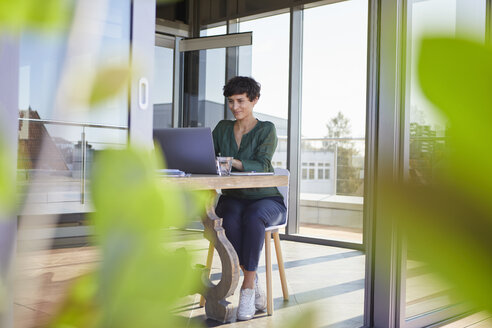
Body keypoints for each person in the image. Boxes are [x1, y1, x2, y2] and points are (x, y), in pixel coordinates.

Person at [212, 76, 287, 321]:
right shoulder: (222, 128)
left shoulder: (266, 129)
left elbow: (263, 164)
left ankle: (247, 287)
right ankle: (252, 280)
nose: (235, 107)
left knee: (253, 217)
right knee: (228, 220)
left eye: (241, 101)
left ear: (254, 100)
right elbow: (208, 158)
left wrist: (230, 161)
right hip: (234, 197)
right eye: (231, 101)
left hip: (265, 200)